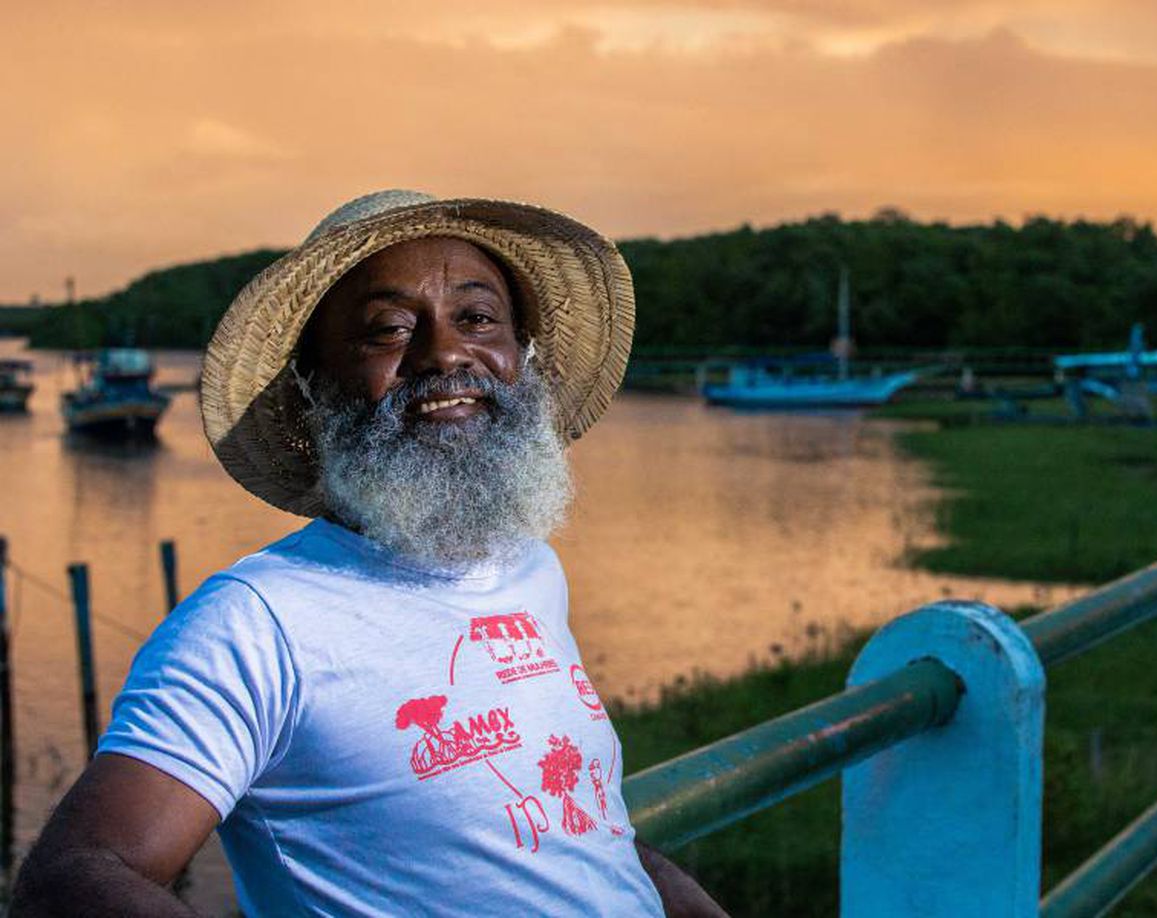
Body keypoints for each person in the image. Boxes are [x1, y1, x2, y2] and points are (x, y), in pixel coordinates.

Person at [12, 191, 726, 917]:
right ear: (314, 386)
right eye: (388, 330)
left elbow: (579, 828)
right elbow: (71, 877)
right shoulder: (256, 623)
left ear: (522, 359)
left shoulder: (528, 568)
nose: (445, 352)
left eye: (477, 318)